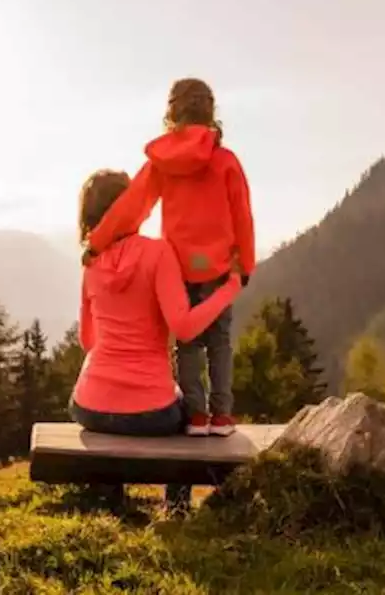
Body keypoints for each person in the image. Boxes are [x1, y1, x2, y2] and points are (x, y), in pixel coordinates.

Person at [82, 77, 255, 437]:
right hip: (220, 269)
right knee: (220, 344)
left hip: (179, 268)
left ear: (171, 115)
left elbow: (132, 206)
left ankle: (195, 417)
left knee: (187, 346)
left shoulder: (163, 163)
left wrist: (98, 242)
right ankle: (221, 416)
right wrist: (246, 265)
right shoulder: (226, 162)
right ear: (211, 114)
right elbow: (242, 215)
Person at [71, 168, 244, 511]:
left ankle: (110, 500)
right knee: (190, 414)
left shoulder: (90, 264)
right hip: (150, 410)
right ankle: (176, 507)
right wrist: (229, 289)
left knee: (127, 418)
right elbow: (184, 327)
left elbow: (88, 341)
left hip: (88, 405)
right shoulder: (158, 253)